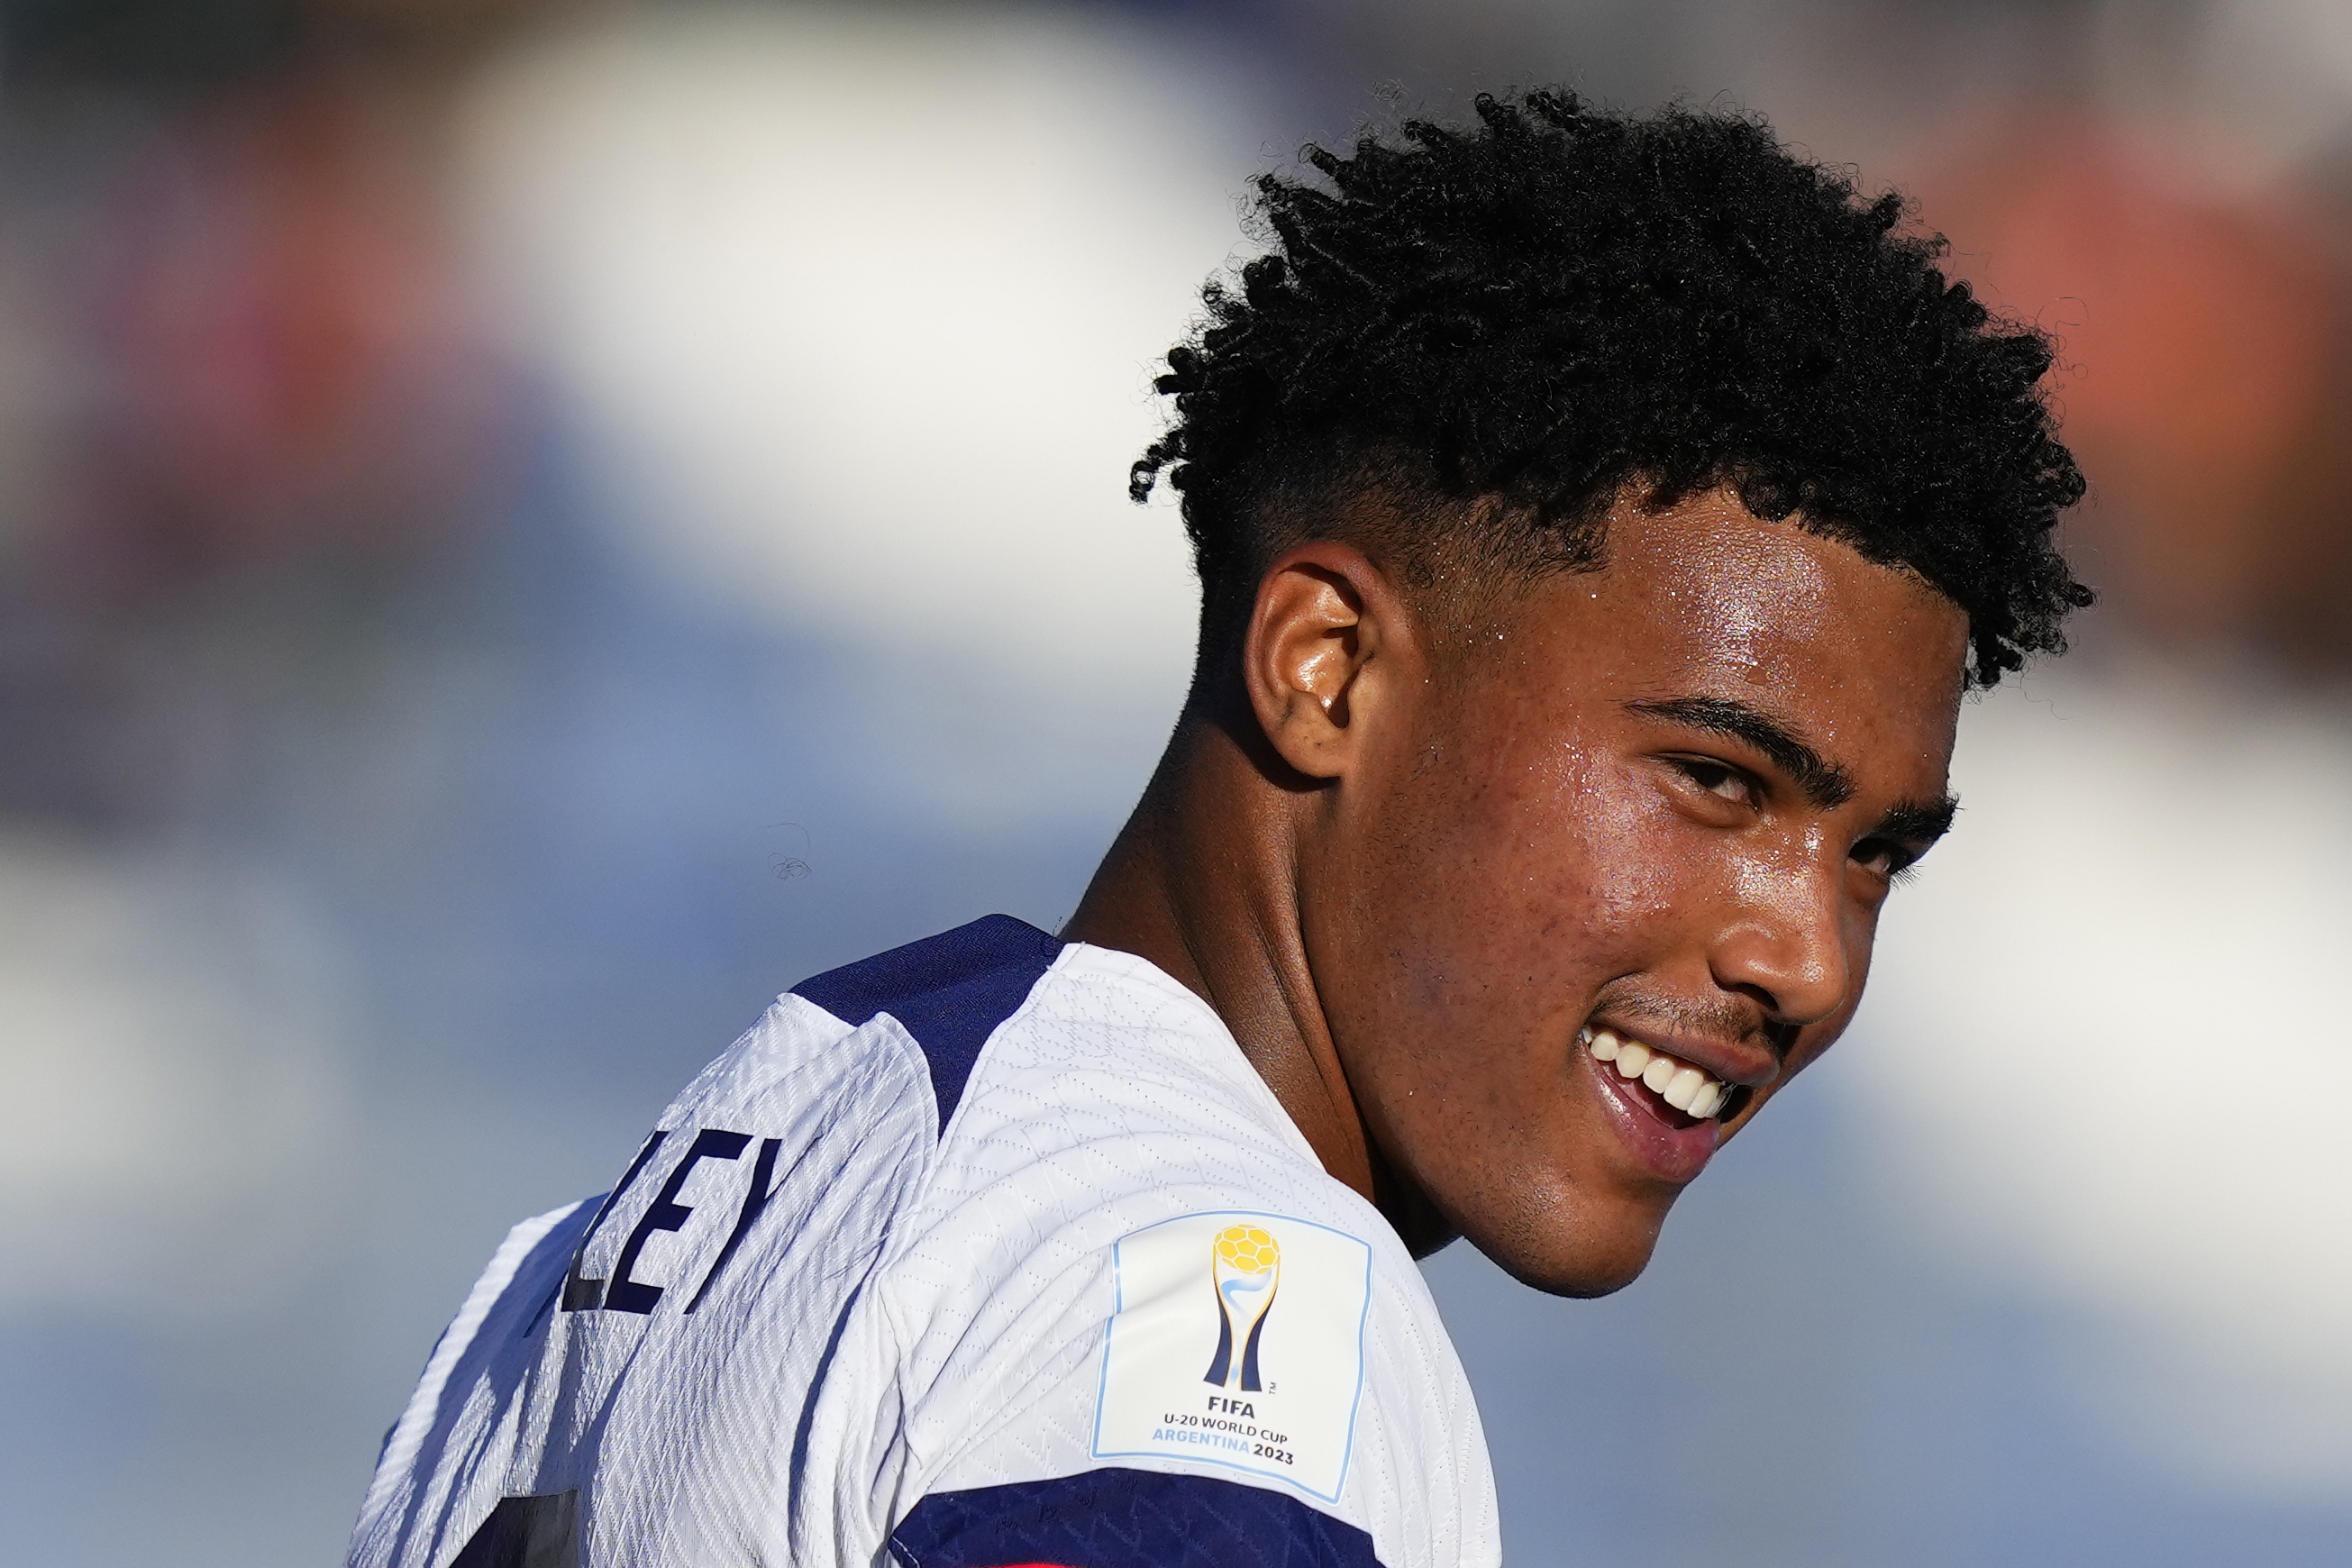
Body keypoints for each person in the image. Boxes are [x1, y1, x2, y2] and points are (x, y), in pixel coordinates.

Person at [346, 90, 2088, 1568]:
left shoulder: (743, 1161)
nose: (1806, 954)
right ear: (1325, 670)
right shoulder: (1210, 1288)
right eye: (1717, 780)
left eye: (1876, 853)